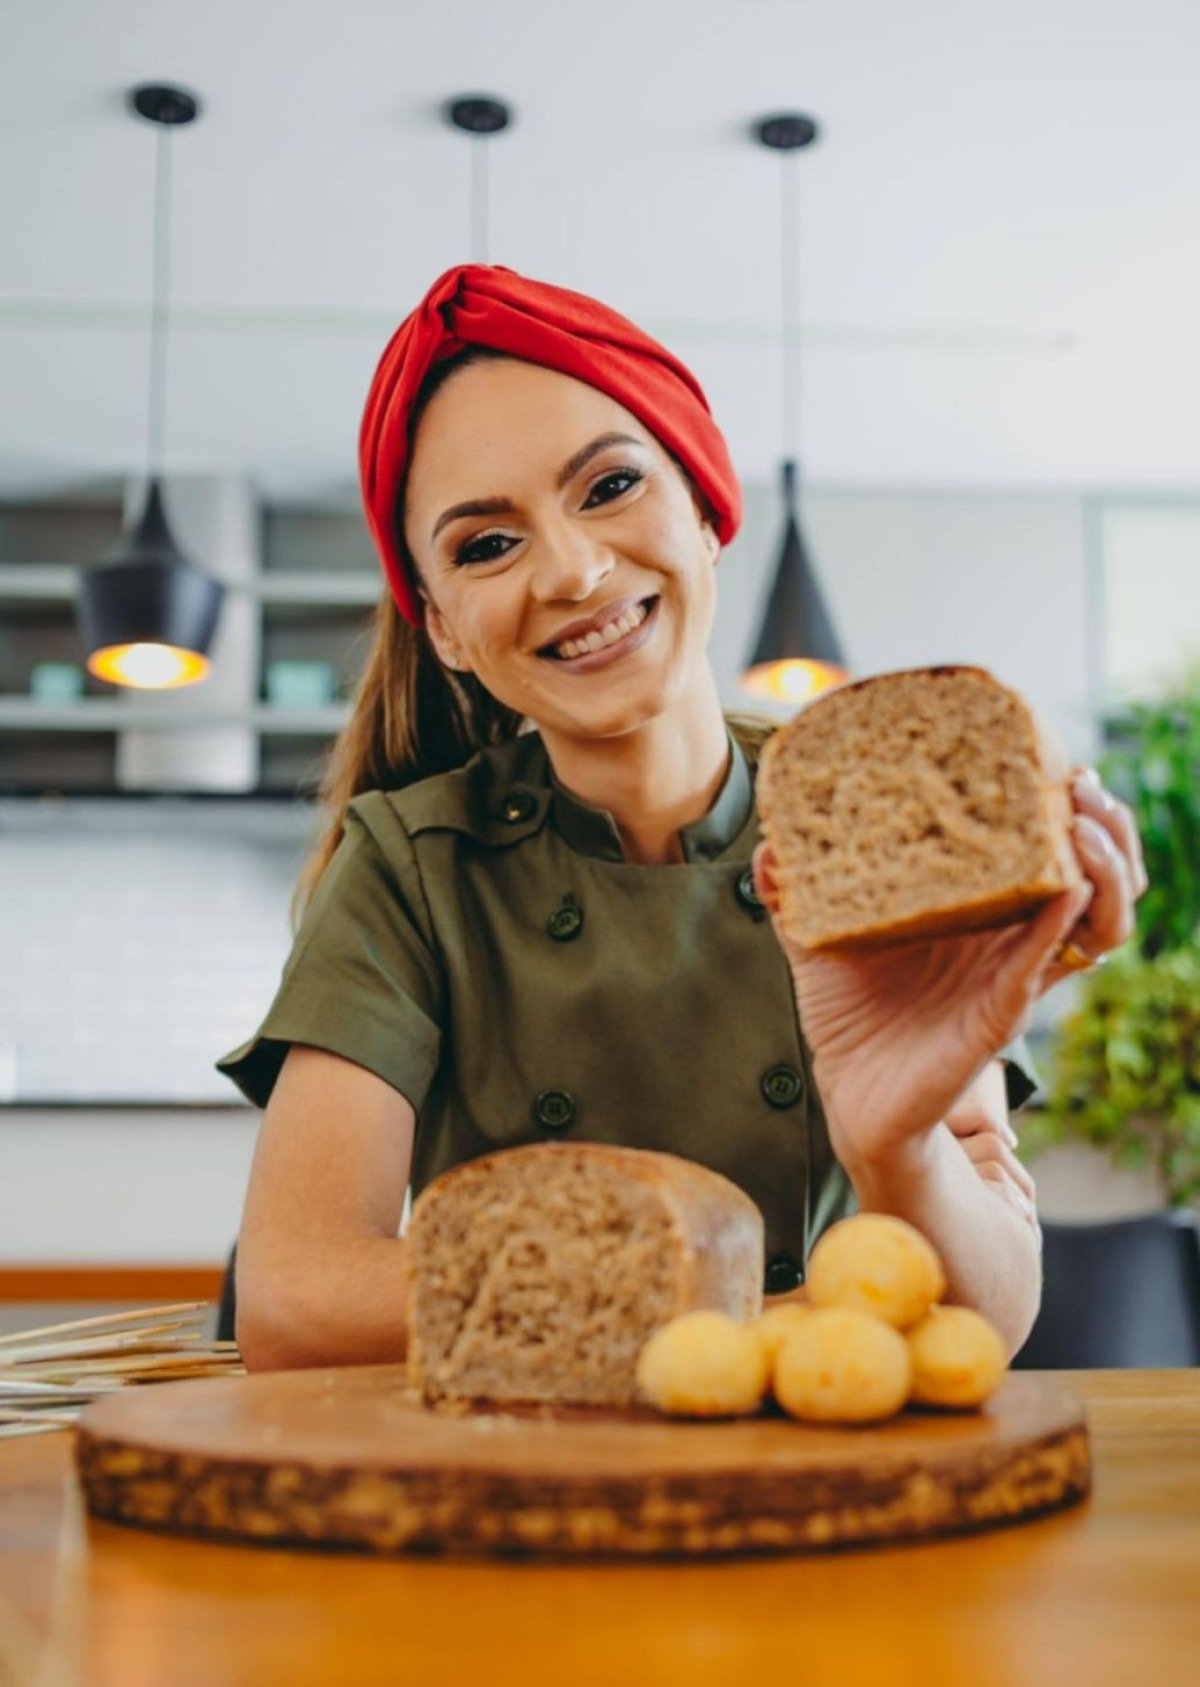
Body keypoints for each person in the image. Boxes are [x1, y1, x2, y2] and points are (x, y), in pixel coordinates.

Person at [218, 263, 1146, 1370]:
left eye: (608, 486)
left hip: (829, 1485)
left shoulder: (876, 819)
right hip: (515, 1488)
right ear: (446, 628)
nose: (571, 569)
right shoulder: (410, 866)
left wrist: (896, 1140)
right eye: (486, 544)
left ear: (705, 508)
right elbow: (296, 1296)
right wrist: (741, 1312)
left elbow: (988, 1314)